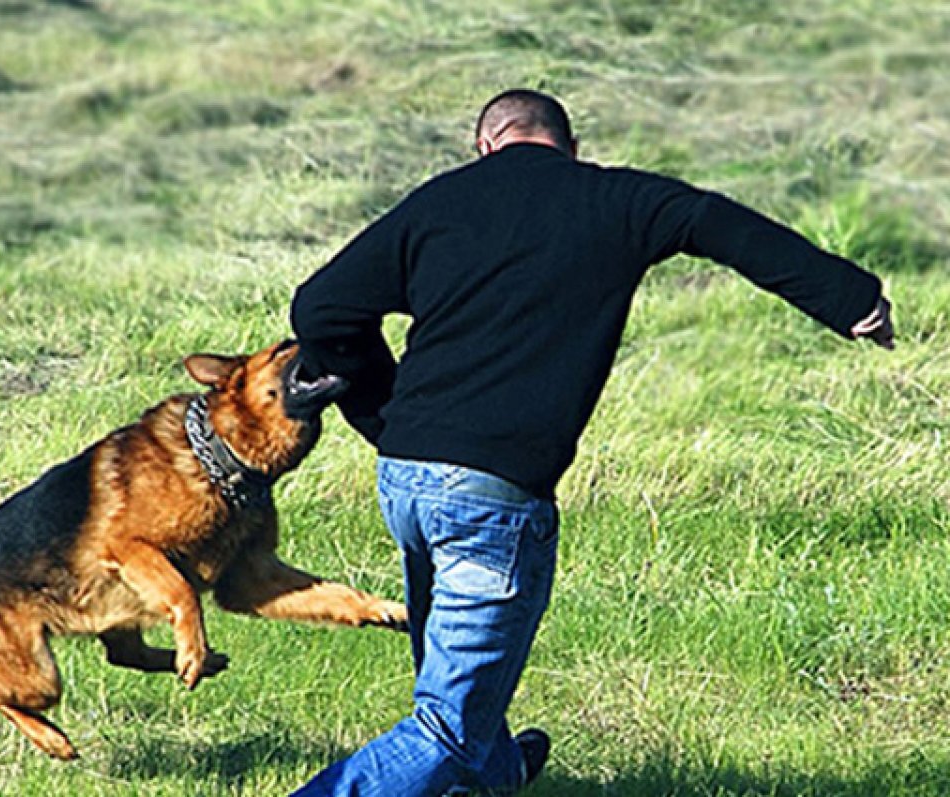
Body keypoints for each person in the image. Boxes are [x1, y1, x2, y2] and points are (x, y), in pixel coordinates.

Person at [287, 89, 894, 797]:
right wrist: (849, 296)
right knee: (445, 726)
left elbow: (319, 306)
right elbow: (719, 223)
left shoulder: (440, 201)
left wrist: (381, 409)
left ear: (484, 145)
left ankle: (499, 773)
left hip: (406, 479)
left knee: (459, 684)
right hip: (492, 494)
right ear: (572, 147)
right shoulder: (616, 199)